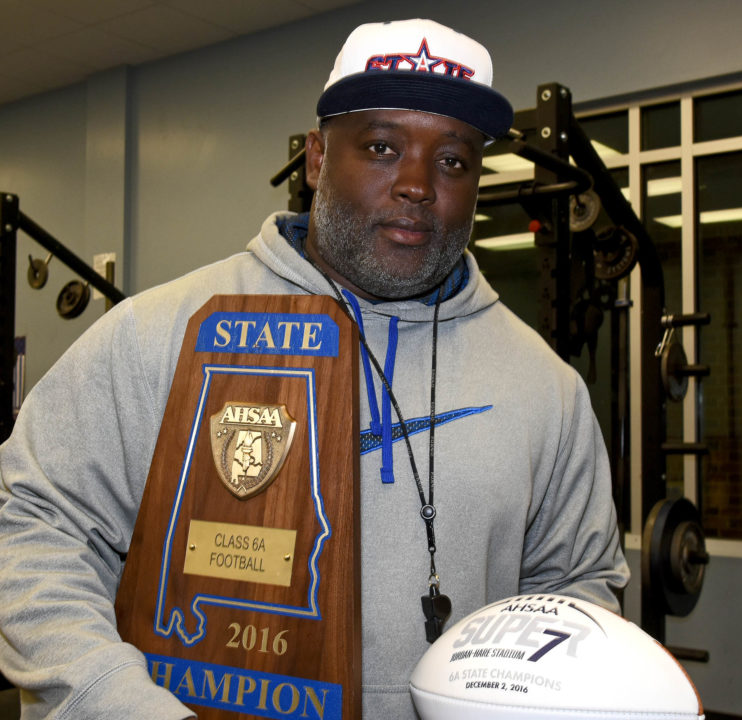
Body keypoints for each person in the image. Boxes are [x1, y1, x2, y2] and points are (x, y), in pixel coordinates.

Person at [0, 17, 629, 720]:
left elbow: (575, 587)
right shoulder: (161, 335)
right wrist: (115, 702)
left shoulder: (546, 388)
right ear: (317, 159)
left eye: (453, 160)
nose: (418, 184)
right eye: (383, 146)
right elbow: (31, 528)